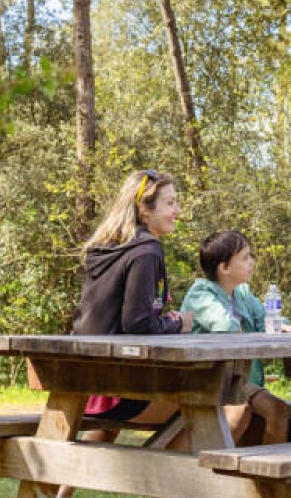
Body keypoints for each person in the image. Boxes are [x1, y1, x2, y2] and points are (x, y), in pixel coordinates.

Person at [66, 170, 193, 475]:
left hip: (85, 382)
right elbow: (138, 324)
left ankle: (60, 493)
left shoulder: (107, 248)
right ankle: (153, 482)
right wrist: (179, 324)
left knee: (110, 426)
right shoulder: (146, 251)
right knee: (212, 408)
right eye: (170, 203)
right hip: (117, 390)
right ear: (145, 210)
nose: (177, 211)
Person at [182, 230, 291, 445]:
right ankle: (209, 468)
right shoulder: (201, 294)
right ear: (224, 268)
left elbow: (266, 321)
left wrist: (283, 327)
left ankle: (268, 476)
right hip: (208, 382)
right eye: (245, 257)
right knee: (239, 411)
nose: (251, 261)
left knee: (278, 410)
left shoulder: (242, 292)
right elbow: (225, 327)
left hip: (239, 382)